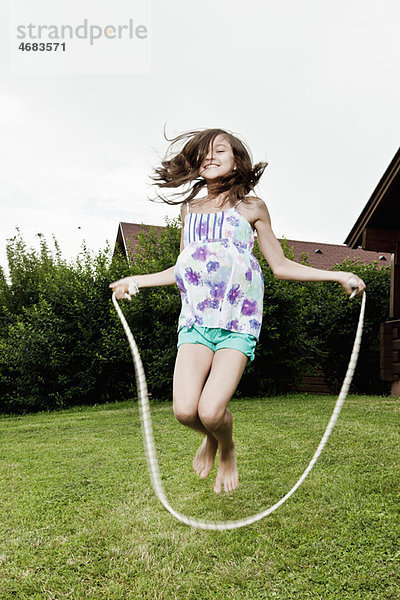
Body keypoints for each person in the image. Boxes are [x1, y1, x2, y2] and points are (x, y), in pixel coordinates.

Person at [109, 128, 366, 494]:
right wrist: (137, 279)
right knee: (184, 411)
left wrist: (337, 274)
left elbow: (280, 265)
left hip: (238, 322)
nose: (210, 157)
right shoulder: (190, 210)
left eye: (220, 150)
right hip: (196, 321)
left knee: (211, 411)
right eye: (203, 153)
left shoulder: (252, 208)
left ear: (237, 160)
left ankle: (226, 447)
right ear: (196, 165)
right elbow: (182, 267)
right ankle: (210, 440)